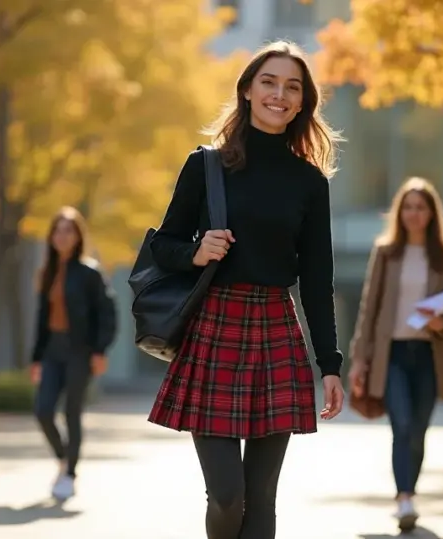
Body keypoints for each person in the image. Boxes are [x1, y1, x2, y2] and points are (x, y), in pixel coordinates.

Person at [146, 40, 345, 539]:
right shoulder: (206, 166)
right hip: (214, 329)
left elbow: (318, 279)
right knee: (227, 496)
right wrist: (196, 250)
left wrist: (331, 366)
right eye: (269, 82)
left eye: (292, 87)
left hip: (277, 331)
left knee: (261, 503)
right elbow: (162, 247)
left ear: (303, 102)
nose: (280, 94)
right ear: (248, 91)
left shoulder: (309, 182)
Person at [348, 177, 443, 531]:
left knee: (418, 429)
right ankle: (404, 498)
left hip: (431, 355)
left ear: (432, 213)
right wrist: (359, 358)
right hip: (394, 356)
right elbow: (368, 309)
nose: (414, 213)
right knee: (400, 425)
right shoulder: (386, 254)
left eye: (421, 207)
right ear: (399, 212)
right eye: (408, 207)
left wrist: (442, 323)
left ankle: (409, 491)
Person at [29, 206, 117, 501]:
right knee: (43, 411)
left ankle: (69, 474)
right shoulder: (47, 272)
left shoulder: (90, 272)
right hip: (53, 349)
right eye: (58, 230)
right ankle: (64, 458)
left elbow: (107, 313)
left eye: (69, 230)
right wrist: (36, 357)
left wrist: (100, 350)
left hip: (80, 350)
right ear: (51, 236)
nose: (62, 235)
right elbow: (42, 319)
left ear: (78, 236)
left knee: (71, 412)